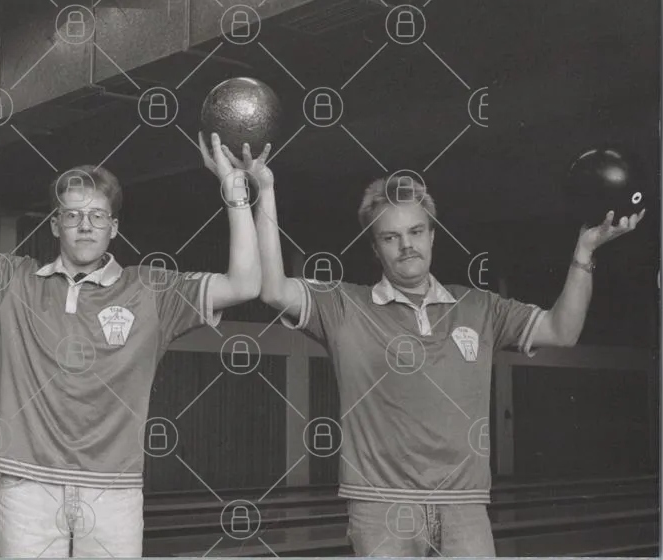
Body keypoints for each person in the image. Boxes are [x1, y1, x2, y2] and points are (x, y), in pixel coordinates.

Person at [242, 150, 644, 555]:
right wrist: (266, 191)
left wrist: (584, 253)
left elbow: (562, 331)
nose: (406, 246)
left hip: (465, 507)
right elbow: (273, 290)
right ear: (375, 248)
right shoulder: (344, 306)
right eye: (390, 237)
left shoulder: (481, 307)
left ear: (432, 236)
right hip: (381, 507)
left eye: (416, 232)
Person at [0, 112, 261, 557]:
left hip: (114, 491)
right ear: (55, 224)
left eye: (96, 215)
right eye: (72, 215)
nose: (85, 225)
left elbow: (245, 285)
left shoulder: (152, 291)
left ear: (113, 227)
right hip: (29, 488)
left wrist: (235, 192)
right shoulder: (13, 280)